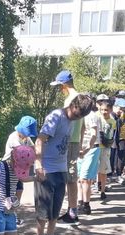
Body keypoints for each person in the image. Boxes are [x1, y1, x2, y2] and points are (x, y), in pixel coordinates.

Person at [34, 94, 93, 235]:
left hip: (61, 169)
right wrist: (38, 164)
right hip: (46, 169)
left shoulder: (72, 121)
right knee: (44, 210)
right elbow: (40, 140)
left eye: (81, 116)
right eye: (77, 114)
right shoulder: (56, 117)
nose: (77, 117)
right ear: (72, 105)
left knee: (55, 208)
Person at [50, 70, 85, 226]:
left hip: (68, 141)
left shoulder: (71, 100)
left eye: (59, 86)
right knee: (70, 176)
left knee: (69, 177)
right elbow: (82, 126)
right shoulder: (81, 97)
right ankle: (72, 211)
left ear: (64, 85)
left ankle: (72, 213)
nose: (59, 89)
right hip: (75, 140)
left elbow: (64, 123)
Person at [77, 96, 101, 215]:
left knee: (85, 178)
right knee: (79, 178)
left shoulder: (91, 116)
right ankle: (80, 202)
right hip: (81, 150)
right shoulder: (81, 115)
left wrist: (86, 149)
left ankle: (86, 205)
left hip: (91, 149)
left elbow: (94, 134)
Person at [96, 95, 116, 201]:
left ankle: (103, 190)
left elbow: (109, 136)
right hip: (95, 147)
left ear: (110, 110)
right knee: (95, 170)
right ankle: (96, 186)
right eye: (102, 109)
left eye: (106, 110)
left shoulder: (112, 122)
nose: (104, 112)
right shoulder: (97, 117)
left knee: (103, 170)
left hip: (105, 148)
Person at [112, 98, 125, 183]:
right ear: (115, 107)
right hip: (112, 137)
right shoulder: (111, 114)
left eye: (123, 108)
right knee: (111, 156)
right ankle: (109, 175)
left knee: (121, 155)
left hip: (122, 136)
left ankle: (119, 174)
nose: (121, 110)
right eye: (120, 108)